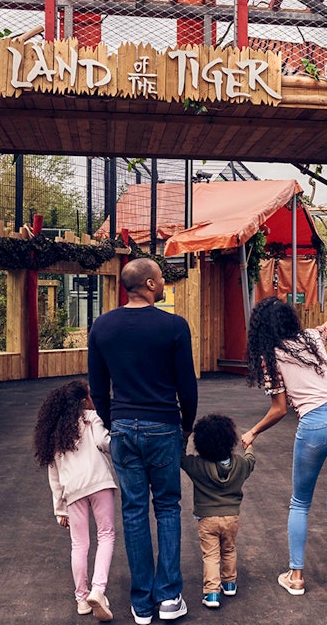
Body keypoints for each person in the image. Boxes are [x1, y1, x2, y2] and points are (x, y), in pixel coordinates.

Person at [241, 282, 327, 606]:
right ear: (288, 319)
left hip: (314, 425)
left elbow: (280, 409)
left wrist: (253, 432)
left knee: (300, 503)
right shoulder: (311, 339)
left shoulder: (270, 357)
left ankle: (296, 577)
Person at [88, 257, 198, 625]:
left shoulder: (102, 326)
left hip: (122, 427)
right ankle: (169, 598)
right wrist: (186, 426)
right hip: (163, 425)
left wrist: (111, 421)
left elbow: (97, 387)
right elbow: (188, 385)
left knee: (134, 511)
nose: (164, 282)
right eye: (162, 278)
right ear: (149, 285)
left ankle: (141, 603)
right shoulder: (174, 327)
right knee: (167, 507)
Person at [33, 379, 117, 622]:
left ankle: (82, 598)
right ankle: (98, 590)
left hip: (72, 491)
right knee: (106, 535)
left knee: (79, 545)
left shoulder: (54, 434)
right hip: (99, 483)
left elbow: (54, 476)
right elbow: (104, 443)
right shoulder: (91, 418)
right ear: (83, 401)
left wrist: (60, 510)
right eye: (90, 395)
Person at [180, 414, 257, 610]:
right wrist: (248, 447)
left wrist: (185, 436)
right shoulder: (240, 464)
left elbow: (180, 457)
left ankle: (212, 593)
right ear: (230, 440)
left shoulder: (197, 465)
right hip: (232, 517)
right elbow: (250, 461)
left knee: (211, 555)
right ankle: (229, 583)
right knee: (229, 549)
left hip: (207, 518)